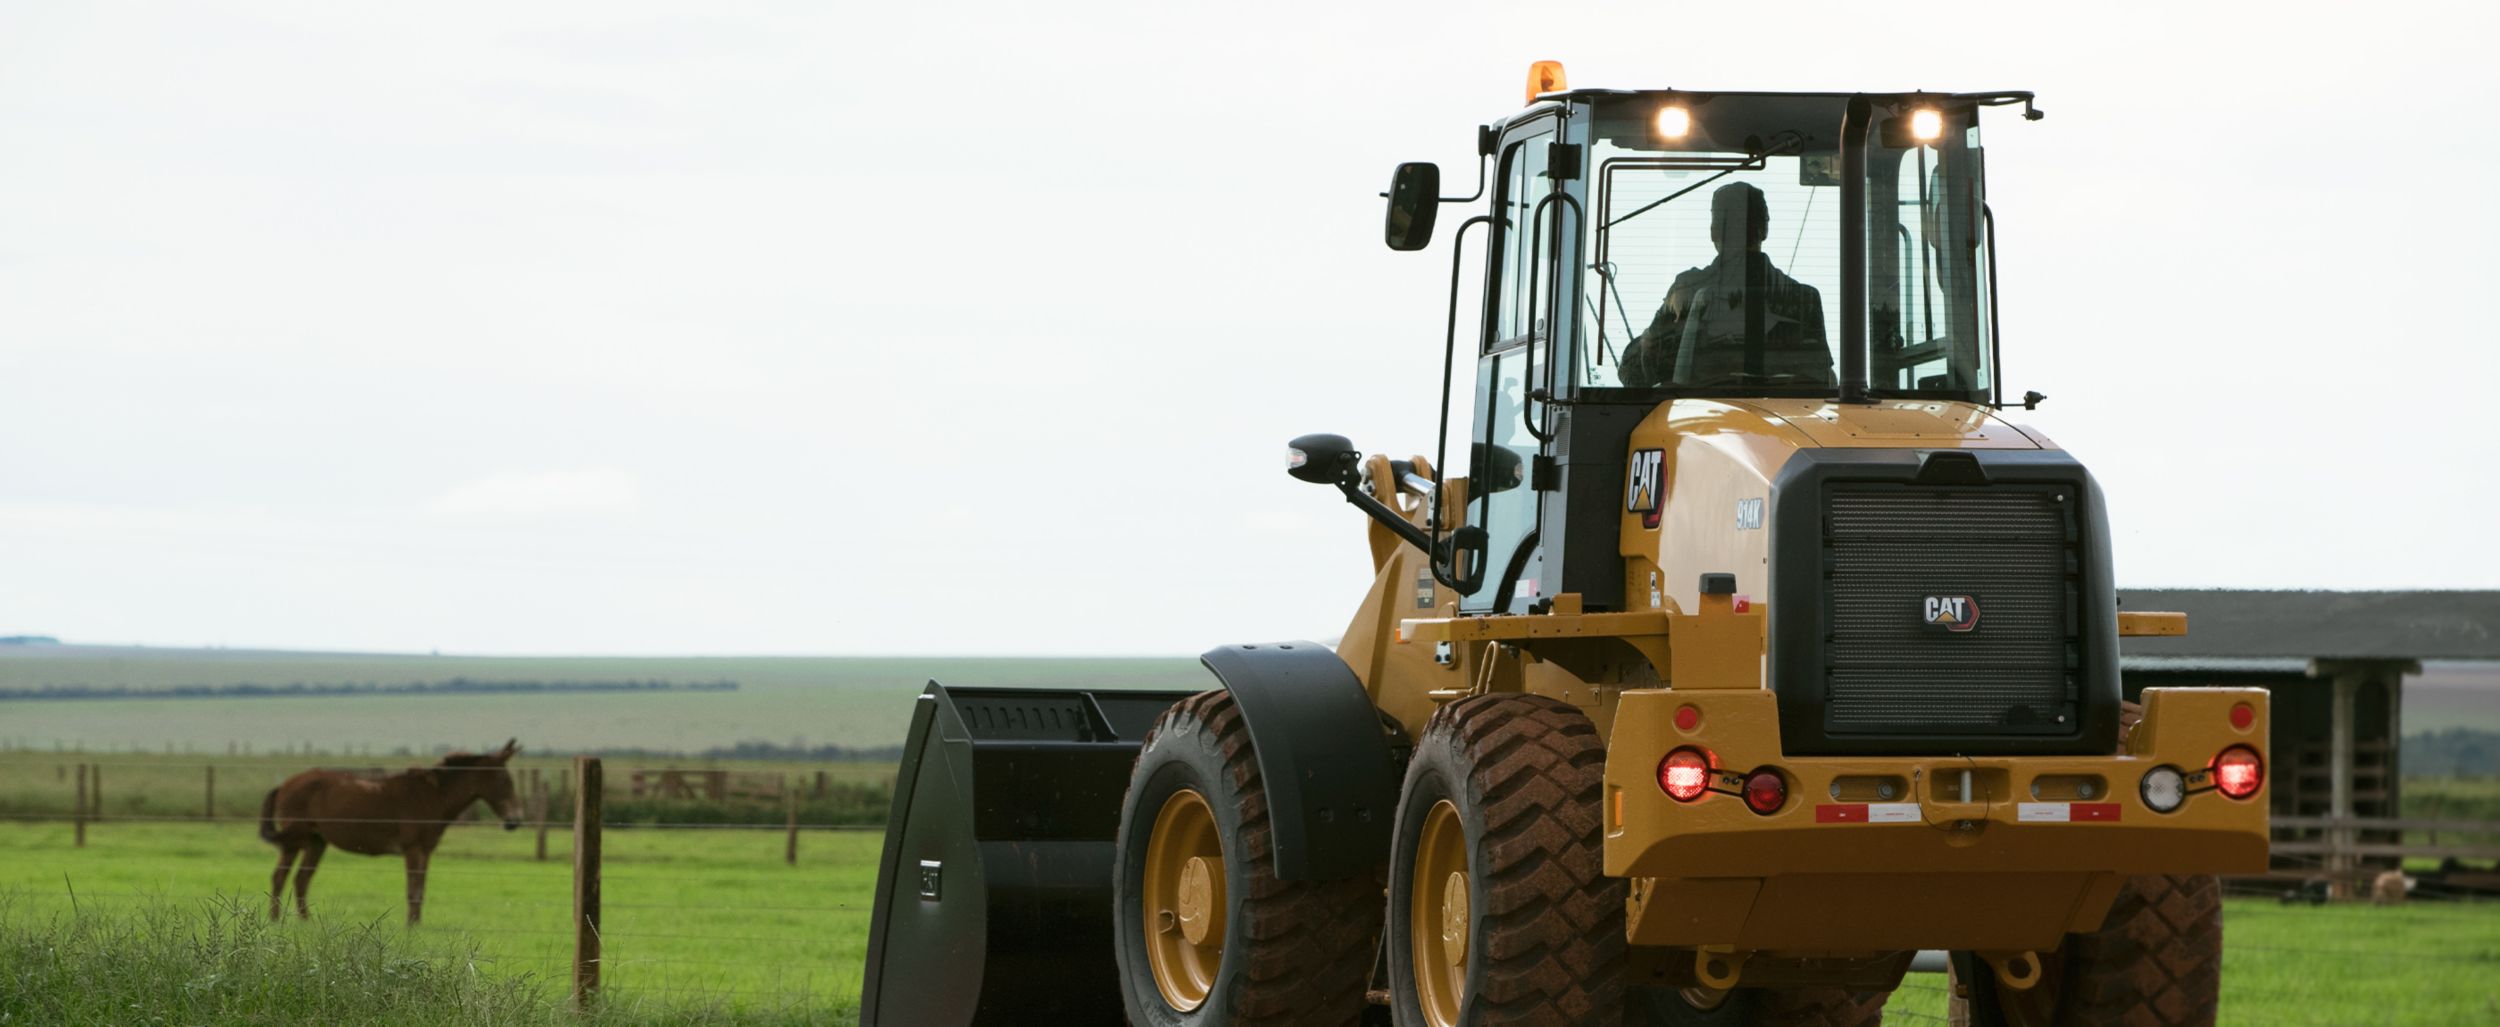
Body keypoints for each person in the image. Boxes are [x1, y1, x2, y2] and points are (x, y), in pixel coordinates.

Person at [1617, 182, 1833, 388]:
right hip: (1783, 421)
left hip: (1697, 419)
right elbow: (1821, 379)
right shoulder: (1804, 298)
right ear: (1764, 229)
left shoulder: (1687, 290)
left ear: (1714, 230)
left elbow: (1642, 368)